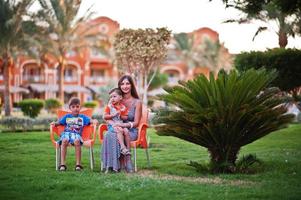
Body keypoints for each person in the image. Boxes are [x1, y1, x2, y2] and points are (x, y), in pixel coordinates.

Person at [101, 75, 142, 173]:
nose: (125, 86)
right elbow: (106, 116)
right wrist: (113, 124)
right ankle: (113, 164)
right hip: (117, 127)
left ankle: (127, 160)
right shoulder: (115, 99)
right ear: (119, 86)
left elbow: (136, 123)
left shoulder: (137, 102)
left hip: (130, 130)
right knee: (111, 134)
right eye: (122, 84)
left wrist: (122, 125)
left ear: (132, 85)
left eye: (127, 83)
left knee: (118, 134)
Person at [52, 97, 92, 171]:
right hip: (66, 134)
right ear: (70, 108)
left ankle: (78, 164)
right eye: (73, 107)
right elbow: (59, 123)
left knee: (77, 141)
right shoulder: (67, 116)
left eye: (77, 106)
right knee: (64, 140)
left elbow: (90, 121)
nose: (75, 108)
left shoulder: (83, 117)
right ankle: (62, 164)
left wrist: (94, 121)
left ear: (80, 107)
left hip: (77, 135)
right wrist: (54, 123)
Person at [103, 88, 131, 155]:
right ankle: (122, 148)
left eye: (114, 96)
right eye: (111, 97)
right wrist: (113, 115)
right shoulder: (109, 107)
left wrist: (121, 115)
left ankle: (128, 149)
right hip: (112, 126)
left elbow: (126, 117)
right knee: (120, 130)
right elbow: (105, 117)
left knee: (126, 131)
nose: (112, 98)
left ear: (120, 97)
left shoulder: (123, 107)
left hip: (120, 124)